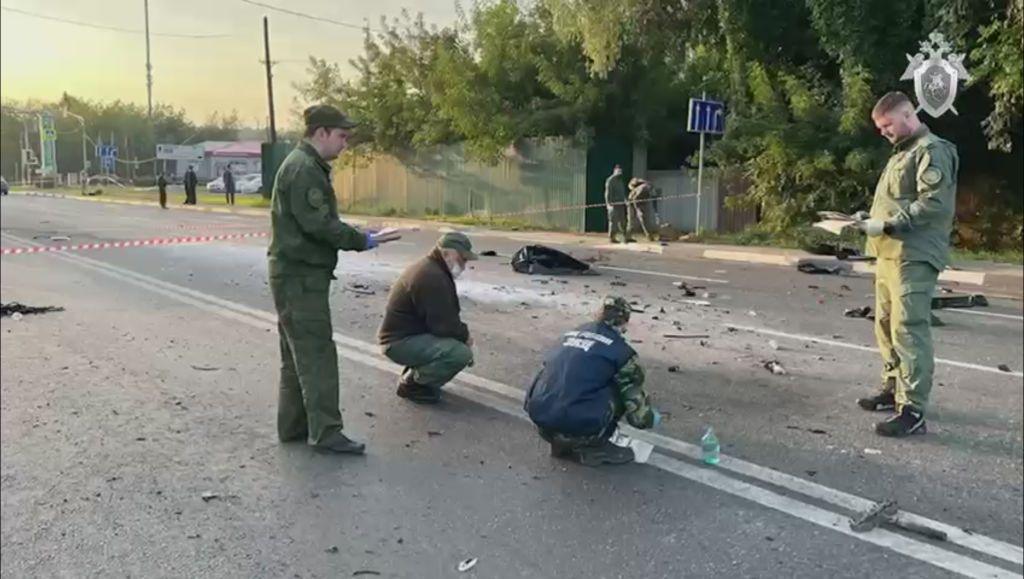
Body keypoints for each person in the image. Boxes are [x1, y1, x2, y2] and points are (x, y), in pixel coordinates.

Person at [268, 104, 390, 455]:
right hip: (300, 277)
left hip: (292, 275)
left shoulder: (301, 164)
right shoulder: (305, 169)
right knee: (317, 354)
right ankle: (326, 432)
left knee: (295, 356)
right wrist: (363, 239)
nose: (345, 144)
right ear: (320, 133)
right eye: (341, 136)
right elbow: (320, 225)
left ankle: (292, 427)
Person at [854, 91, 959, 438]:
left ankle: (913, 409)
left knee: (908, 328)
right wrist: (867, 220)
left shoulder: (932, 150)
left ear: (907, 115)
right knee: (884, 325)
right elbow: (894, 201)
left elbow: (934, 204)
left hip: (913, 255)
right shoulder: (903, 153)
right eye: (880, 127)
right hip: (889, 254)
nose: (883, 132)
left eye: (887, 125)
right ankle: (893, 388)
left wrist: (888, 224)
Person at [524, 296, 661, 466]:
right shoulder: (622, 353)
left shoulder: (567, 336)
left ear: (597, 315)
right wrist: (649, 418)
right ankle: (592, 445)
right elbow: (638, 415)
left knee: (561, 375)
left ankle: (560, 441)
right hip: (578, 424)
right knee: (620, 386)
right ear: (624, 324)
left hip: (542, 420)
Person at [378, 232, 477, 404]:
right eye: (462, 259)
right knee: (459, 354)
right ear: (446, 253)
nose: (464, 265)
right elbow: (444, 325)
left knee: (455, 343)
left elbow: (443, 318)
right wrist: (466, 338)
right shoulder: (432, 276)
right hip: (398, 342)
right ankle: (413, 385)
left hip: (406, 336)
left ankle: (417, 373)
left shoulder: (433, 268)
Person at [604, 165, 632, 243]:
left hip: (621, 204)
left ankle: (625, 237)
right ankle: (612, 237)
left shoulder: (620, 181)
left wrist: (625, 200)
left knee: (623, 221)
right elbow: (607, 193)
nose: (620, 174)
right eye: (618, 172)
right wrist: (608, 204)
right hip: (613, 204)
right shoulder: (610, 180)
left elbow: (622, 192)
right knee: (613, 222)